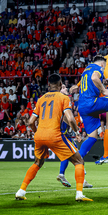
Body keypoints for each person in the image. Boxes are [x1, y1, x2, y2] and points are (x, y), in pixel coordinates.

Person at [15, 74, 92, 202]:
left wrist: (36, 132)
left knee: (38, 163)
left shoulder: (41, 99)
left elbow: (30, 121)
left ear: (48, 84)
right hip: (55, 135)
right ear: (60, 83)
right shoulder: (63, 97)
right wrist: (77, 131)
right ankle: (79, 194)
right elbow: (70, 118)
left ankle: (21, 191)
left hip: (40, 135)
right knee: (79, 161)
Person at [56, 84, 92, 188]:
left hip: (60, 135)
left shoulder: (56, 101)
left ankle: (62, 174)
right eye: (62, 87)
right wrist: (77, 133)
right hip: (63, 136)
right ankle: (82, 183)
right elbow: (68, 119)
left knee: (66, 156)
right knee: (79, 159)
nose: (65, 88)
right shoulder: (64, 100)